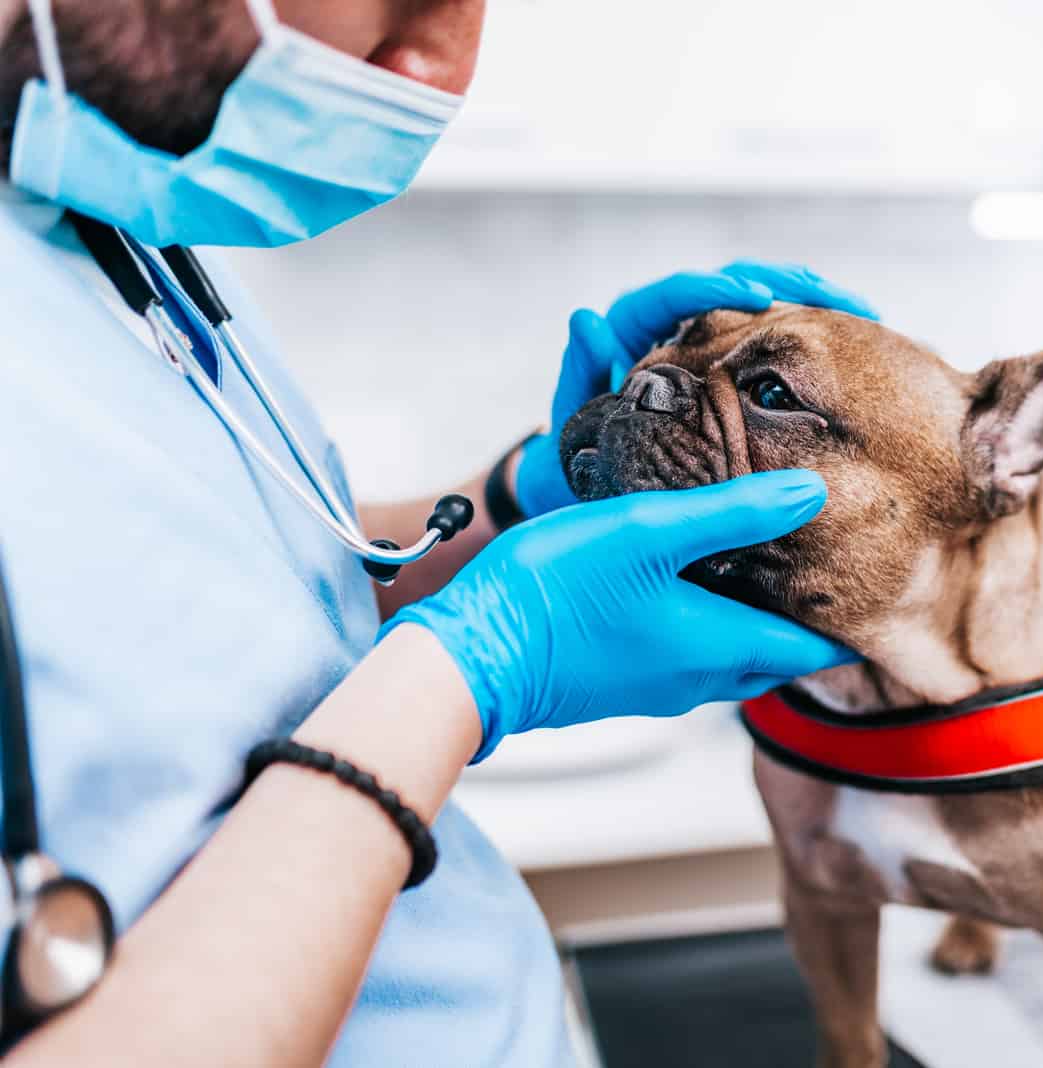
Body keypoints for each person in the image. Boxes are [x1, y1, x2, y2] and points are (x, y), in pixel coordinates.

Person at [0, 1, 872, 1063]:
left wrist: (515, 499)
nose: (437, 72)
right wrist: (469, 668)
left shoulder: (114, 215)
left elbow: (230, 589)